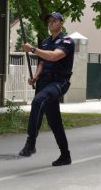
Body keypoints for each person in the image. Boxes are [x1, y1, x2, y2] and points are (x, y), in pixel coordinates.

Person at [18, 12, 74, 166]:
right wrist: (35, 77)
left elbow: (54, 56)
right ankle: (65, 155)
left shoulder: (67, 41)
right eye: (49, 21)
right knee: (54, 122)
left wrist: (33, 50)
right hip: (44, 83)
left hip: (58, 82)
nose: (50, 23)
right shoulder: (44, 42)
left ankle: (31, 143)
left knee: (38, 101)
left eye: (54, 21)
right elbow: (42, 63)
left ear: (61, 23)